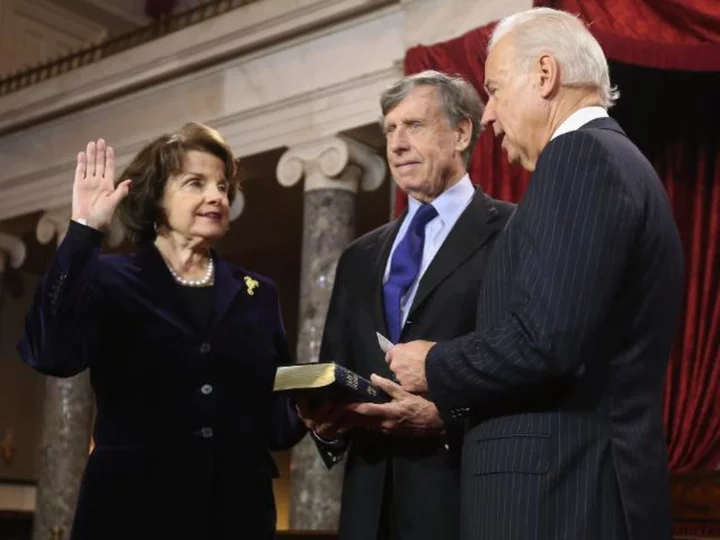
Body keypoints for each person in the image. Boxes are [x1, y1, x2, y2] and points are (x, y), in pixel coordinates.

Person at [368, 7, 684, 540]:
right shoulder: (619, 160)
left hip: (558, 500)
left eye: (494, 89)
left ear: (545, 75)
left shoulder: (579, 157)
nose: (489, 114)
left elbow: (546, 342)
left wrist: (435, 363)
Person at [17, 122, 306, 540]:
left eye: (223, 186)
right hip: (132, 511)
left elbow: (276, 419)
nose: (217, 196)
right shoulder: (106, 278)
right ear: (155, 198)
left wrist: (317, 407)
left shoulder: (258, 293)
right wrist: (83, 232)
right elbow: (49, 354)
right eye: (196, 183)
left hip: (236, 514)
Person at [298, 70, 515, 540]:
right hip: (367, 506)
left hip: (461, 499)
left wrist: (443, 420)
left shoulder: (513, 233)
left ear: (461, 133)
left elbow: (526, 363)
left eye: (413, 125)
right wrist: (327, 424)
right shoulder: (358, 256)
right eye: (390, 129)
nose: (396, 144)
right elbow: (337, 361)